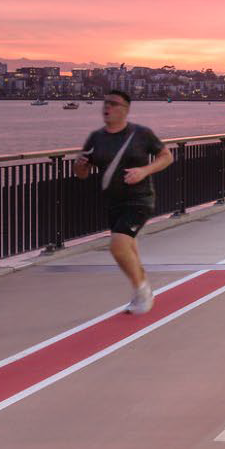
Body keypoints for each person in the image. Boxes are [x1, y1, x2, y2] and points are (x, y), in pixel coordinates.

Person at [73, 90, 173, 314]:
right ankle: (142, 289)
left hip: (139, 200)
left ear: (125, 110)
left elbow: (166, 156)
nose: (107, 107)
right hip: (113, 202)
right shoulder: (96, 138)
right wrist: (79, 165)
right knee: (128, 248)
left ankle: (142, 291)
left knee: (118, 245)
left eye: (114, 104)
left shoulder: (141, 134)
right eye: (106, 103)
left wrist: (144, 171)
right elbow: (82, 173)